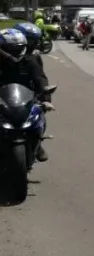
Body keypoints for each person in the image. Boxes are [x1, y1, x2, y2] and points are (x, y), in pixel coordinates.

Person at [0, 29, 53, 163]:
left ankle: (38, 145)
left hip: (26, 99)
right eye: (9, 49)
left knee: (39, 117)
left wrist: (46, 99)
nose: (14, 52)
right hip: (1, 100)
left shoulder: (30, 61)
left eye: (18, 48)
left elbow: (40, 79)